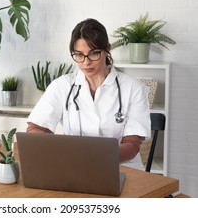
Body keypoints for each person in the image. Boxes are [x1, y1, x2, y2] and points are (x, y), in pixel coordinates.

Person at [26, 18, 151, 169]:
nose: (86, 62)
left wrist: (93, 159)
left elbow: (132, 145)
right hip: (74, 167)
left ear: (107, 50)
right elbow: (34, 129)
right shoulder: (62, 85)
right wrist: (58, 151)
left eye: (94, 53)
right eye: (79, 55)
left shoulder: (134, 89)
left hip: (122, 168)